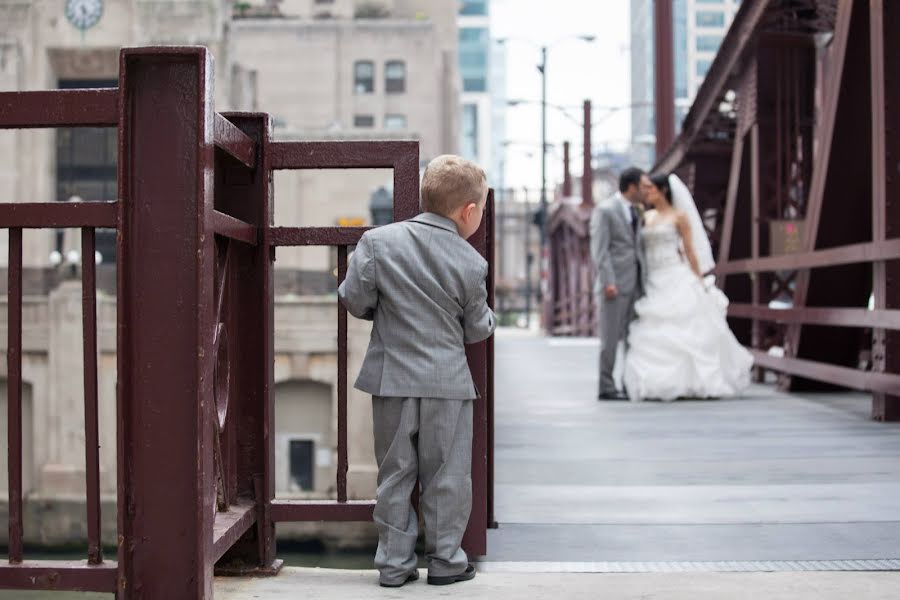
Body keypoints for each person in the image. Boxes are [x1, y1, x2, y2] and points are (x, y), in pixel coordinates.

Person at [338, 154, 495, 588]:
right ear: (468, 212)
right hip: (447, 383)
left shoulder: (378, 242)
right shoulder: (470, 262)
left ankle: (394, 564)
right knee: (447, 476)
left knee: (394, 474)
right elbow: (476, 327)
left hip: (391, 378)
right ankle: (445, 560)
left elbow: (354, 298)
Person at [623, 172, 753, 401]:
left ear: (663, 190)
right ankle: (660, 382)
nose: (647, 193)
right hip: (653, 279)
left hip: (675, 273)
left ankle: (696, 381)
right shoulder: (646, 217)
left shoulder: (679, 217)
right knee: (656, 329)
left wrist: (699, 280)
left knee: (690, 328)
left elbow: (690, 251)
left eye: (651, 188)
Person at [590, 167, 648, 400]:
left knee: (633, 337)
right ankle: (606, 386)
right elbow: (600, 251)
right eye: (643, 186)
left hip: (636, 283)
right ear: (632, 187)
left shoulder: (638, 211)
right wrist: (608, 282)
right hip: (613, 285)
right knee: (610, 339)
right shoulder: (605, 210)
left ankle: (628, 382)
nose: (646, 191)